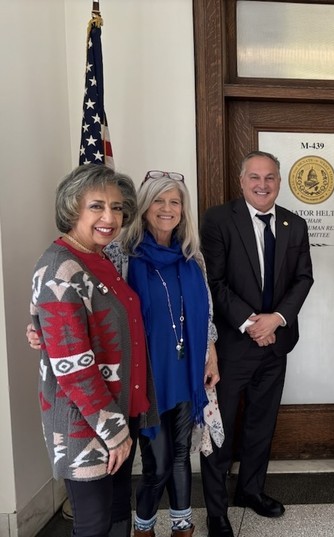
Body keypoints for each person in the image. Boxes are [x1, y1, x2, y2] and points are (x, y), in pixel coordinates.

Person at [29, 164, 158, 537]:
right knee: (94, 524)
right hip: (85, 422)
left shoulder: (99, 258)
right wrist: (114, 431)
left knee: (116, 511)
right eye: (97, 206)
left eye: (116, 207)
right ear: (73, 209)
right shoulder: (60, 266)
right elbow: (73, 369)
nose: (110, 218)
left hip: (118, 409)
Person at [199, 150, 314, 537]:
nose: (262, 185)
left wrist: (276, 319)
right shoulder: (218, 219)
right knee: (221, 431)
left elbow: (303, 279)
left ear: (279, 182)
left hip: (276, 344)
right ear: (242, 180)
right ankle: (216, 511)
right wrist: (252, 323)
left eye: (270, 178)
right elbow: (214, 281)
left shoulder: (295, 224)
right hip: (231, 348)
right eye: (255, 177)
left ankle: (250, 491)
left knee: (261, 424)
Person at [106, 171, 222, 537]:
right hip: (147, 375)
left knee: (181, 453)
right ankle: (143, 528)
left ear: (183, 210)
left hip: (186, 369)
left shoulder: (192, 256)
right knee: (156, 462)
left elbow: (206, 311)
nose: (167, 208)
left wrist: (211, 353)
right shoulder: (122, 255)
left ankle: (182, 526)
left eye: (175, 201)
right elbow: (94, 304)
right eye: (159, 200)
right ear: (144, 207)